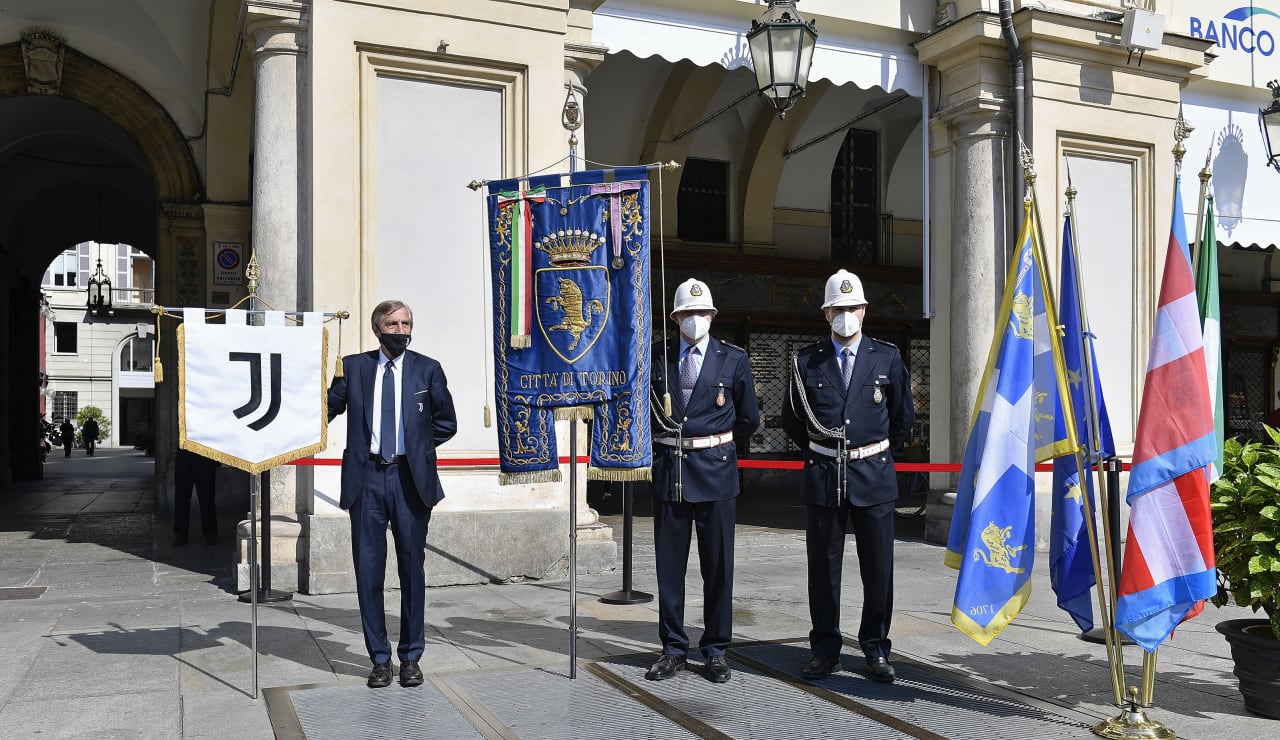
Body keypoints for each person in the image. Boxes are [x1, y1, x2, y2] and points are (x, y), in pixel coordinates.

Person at [781, 269, 914, 684]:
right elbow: (792, 421)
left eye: (852, 307)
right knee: (823, 570)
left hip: (873, 476)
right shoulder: (806, 361)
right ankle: (824, 649)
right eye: (838, 308)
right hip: (824, 476)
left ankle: (875, 647)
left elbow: (902, 419)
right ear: (826, 313)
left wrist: (865, 449)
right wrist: (829, 451)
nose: (846, 314)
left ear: (864, 311)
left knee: (878, 569)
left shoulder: (886, 356)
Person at [327, 300, 457, 689]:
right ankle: (379, 659)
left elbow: (446, 422)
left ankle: (411, 657)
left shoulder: (426, 368)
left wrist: (415, 449)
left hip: (409, 481)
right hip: (365, 478)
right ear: (377, 328)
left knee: (411, 571)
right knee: (368, 572)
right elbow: (326, 409)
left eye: (406, 323)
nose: (401, 329)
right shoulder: (353, 367)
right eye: (393, 323)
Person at [646, 278, 759, 684]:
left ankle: (715, 649)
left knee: (718, 567)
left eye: (701, 313)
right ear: (675, 317)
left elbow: (749, 418)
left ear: (712, 316)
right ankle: (673, 647)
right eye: (687, 314)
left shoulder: (733, 358)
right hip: (672, 472)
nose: (695, 320)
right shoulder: (657, 357)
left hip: (715, 470)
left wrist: (715, 444)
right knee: (669, 569)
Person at [173, 449, 221, 546]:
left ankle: (210, 533)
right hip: (184, 460)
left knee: (207, 500)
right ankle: (180, 534)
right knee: (181, 500)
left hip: (205, 459)